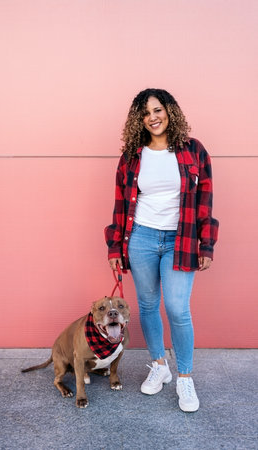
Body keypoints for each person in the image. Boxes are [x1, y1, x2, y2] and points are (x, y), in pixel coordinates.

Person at [105, 88, 219, 412]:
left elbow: (205, 202)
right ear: (138, 120)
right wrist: (116, 245)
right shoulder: (132, 156)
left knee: (178, 308)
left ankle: (184, 377)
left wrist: (206, 244)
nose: (152, 117)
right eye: (145, 113)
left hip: (179, 239)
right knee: (147, 304)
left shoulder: (193, 151)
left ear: (169, 111)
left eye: (157, 110)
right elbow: (118, 204)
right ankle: (159, 364)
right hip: (140, 237)